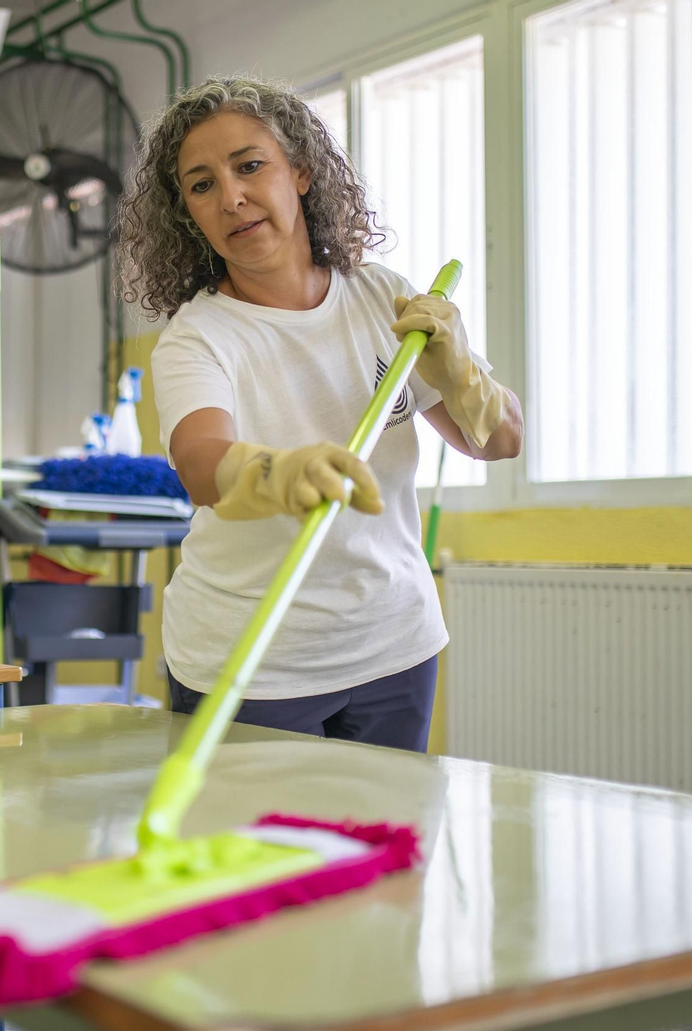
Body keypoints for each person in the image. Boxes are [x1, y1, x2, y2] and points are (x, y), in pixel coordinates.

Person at [115, 76, 524, 751]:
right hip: (251, 662)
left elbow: (500, 439)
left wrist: (462, 371)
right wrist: (277, 472)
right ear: (188, 211)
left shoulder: (381, 296)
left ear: (300, 172)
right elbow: (199, 462)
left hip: (395, 645)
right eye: (202, 184)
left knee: (379, 851)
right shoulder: (200, 336)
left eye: (250, 165)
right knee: (260, 858)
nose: (232, 197)